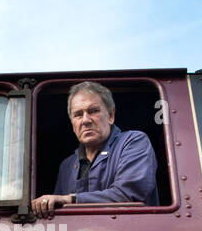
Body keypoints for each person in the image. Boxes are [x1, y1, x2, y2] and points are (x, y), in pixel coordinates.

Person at [31, 82, 158, 218]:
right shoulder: (67, 165)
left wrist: (69, 200)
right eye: (78, 114)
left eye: (93, 111)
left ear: (110, 116)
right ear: (73, 125)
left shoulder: (134, 141)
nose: (85, 120)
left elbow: (127, 194)